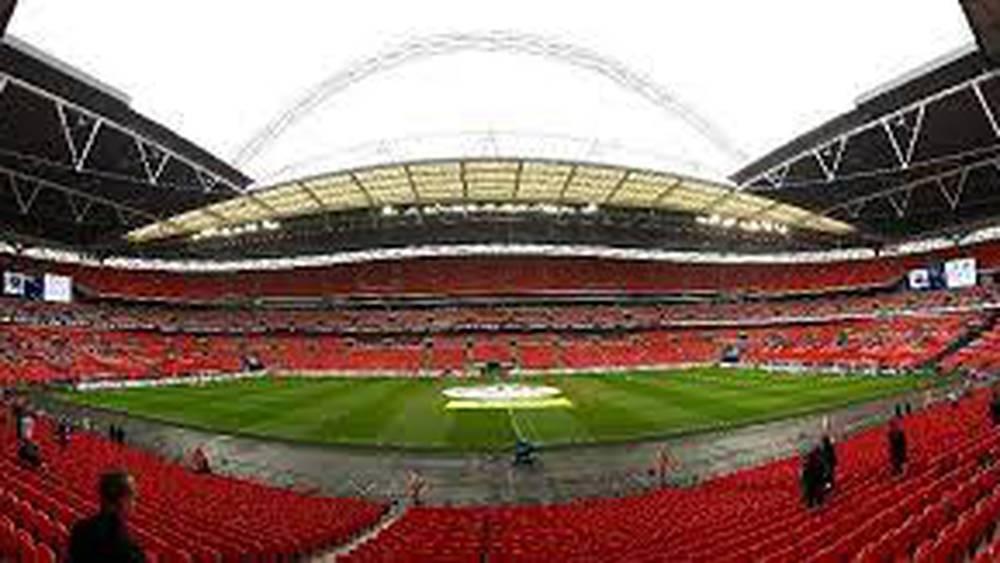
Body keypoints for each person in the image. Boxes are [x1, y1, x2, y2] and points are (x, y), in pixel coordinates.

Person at [68, 470, 145, 563]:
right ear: (122, 501)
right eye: (133, 497)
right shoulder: (125, 546)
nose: (134, 502)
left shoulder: (79, 527)